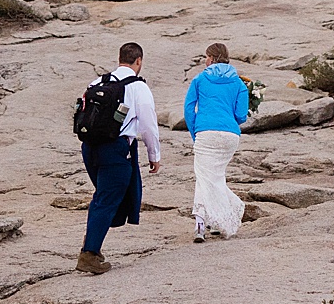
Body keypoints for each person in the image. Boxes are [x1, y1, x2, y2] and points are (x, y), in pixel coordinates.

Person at [77, 42, 161, 275]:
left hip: (90, 147)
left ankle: (91, 245)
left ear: (119, 58)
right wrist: (154, 154)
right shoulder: (138, 87)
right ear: (139, 61)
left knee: (103, 197)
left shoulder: (98, 82)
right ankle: (89, 254)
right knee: (106, 199)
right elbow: (148, 125)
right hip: (116, 149)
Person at [181, 41, 250, 242]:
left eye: (206, 57)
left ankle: (201, 224)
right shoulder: (238, 82)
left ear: (211, 58)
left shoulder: (200, 79)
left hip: (206, 132)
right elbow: (241, 115)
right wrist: (228, 120)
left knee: (204, 178)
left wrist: (195, 132)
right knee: (215, 177)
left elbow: (188, 108)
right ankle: (218, 221)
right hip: (230, 136)